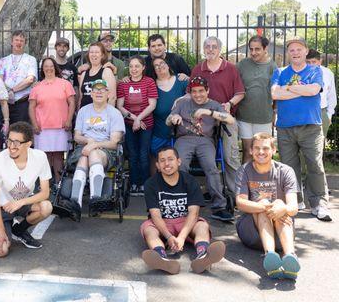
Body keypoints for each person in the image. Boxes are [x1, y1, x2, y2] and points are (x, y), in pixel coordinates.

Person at [271, 38, 331, 222]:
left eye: (299, 49)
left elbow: (314, 90)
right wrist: (299, 89)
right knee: (289, 167)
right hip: (285, 127)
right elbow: (275, 93)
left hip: (310, 125)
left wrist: (287, 88)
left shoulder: (315, 70)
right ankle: (294, 201)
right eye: (292, 50)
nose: (295, 53)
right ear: (288, 53)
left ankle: (319, 203)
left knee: (315, 164)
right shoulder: (280, 72)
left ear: (306, 51)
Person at [141, 146, 226, 275]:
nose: (167, 163)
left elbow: (194, 213)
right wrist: (169, 237)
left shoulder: (190, 181)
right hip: (163, 223)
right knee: (148, 230)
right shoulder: (150, 183)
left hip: (185, 222)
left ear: (179, 161)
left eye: (170, 159)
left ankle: (203, 256)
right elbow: (155, 215)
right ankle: (162, 258)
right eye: (162, 160)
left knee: (202, 226)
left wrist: (181, 237)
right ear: (157, 165)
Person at [166, 76, 236, 222]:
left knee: (211, 167)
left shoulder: (214, 104)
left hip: (206, 140)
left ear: (207, 90)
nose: (197, 94)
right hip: (184, 138)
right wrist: (174, 117)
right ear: (190, 92)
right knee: (180, 164)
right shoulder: (182, 102)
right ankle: (180, 202)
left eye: (201, 91)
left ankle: (219, 207)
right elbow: (168, 120)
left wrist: (209, 112)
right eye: (194, 91)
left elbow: (230, 120)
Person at [235, 133, 300, 280]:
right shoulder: (244, 170)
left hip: (281, 235)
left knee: (280, 204)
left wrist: (282, 208)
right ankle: (270, 255)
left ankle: (290, 256)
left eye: (265, 148)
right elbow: (241, 203)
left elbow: (293, 207)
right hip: (251, 232)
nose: (261, 152)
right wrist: (266, 207)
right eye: (257, 148)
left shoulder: (286, 171)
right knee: (264, 203)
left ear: (273, 150)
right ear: (250, 150)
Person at [0, 122, 53, 256]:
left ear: (28, 144)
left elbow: (45, 193)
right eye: (9, 141)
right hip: (1, 207)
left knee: (46, 207)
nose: (11, 146)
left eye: (17, 143)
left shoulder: (40, 157)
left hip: (22, 203)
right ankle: (5, 228)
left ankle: (19, 230)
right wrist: (0, 230)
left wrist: (20, 202)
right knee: (1, 251)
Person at [191, 36, 244, 195]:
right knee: (207, 157)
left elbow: (240, 93)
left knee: (230, 157)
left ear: (220, 49)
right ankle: (212, 190)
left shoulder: (230, 68)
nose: (210, 49)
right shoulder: (198, 69)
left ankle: (235, 193)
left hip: (224, 118)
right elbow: (190, 93)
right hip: (204, 120)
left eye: (214, 46)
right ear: (203, 49)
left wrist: (230, 103)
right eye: (207, 46)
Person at [70, 79, 125, 209]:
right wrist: (88, 141)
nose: (99, 92)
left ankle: (95, 197)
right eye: (96, 90)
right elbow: (77, 136)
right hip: (83, 148)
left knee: (92, 154)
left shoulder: (114, 113)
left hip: (107, 151)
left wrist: (94, 145)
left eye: (102, 90)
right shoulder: (83, 111)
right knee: (84, 158)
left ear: (108, 93)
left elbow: (114, 142)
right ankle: (75, 202)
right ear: (91, 94)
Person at [29, 57, 76, 182]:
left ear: (55, 67)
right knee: (44, 156)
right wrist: (34, 124)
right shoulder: (37, 87)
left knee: (58, 156)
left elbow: (72, 103)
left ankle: (58, 183)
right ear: (42, 69)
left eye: (51, 66)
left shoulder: (65, 84)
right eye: (46, 66)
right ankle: (46, 184)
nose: (48, 68)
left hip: (61, 126)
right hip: (42, 128)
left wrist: (69, 120)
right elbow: (31, 107)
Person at [116, 56, 157, 195]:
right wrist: (134, 119)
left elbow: (152, 105)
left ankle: (145, 184)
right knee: (133, 155)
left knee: (144, 155)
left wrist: (139, 119)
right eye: (131, 66)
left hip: (147, 124)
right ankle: (134, 183)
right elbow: (119, 105)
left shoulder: (149, 82)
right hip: (129, 124)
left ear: (143, 67)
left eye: (137, 66)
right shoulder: (123, 84)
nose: (134, 69)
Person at [236, 36, 277, 163]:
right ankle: (245, 182)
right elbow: (231, 80)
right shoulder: (243, 64)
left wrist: (274, 113)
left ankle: (264, 182)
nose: (253, 52)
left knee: (262, 154)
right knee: (248, 152)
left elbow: (276, 92)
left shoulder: (272, 67)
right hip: (244, 116)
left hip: (263, 117)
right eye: (251, 49)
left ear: (265, 49)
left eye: (257, 49)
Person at [150, 57, 187, 175]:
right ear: (154, 70)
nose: (160, 66)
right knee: (155, 158)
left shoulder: (181, 80)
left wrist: (183, 98)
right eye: (156, 65)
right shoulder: (151, 85)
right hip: (159, 131)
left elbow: (196, 94)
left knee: (177, 160)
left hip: (180, 132)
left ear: (168, 65)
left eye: (162, 63)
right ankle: (156, 184)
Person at [0, 30, 37, 124]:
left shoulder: (31, 60)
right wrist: (8, 92)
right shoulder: (3, 61)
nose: (19, 43)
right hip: (5, 103)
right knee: (5, 132)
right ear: (11, 42)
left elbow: (30, 79)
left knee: (21, 132)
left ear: (25, 43)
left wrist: (12, 90)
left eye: (21, 41)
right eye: (16, 40)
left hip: (23, 104)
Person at [306, 48, 336, 138]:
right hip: (304, 112)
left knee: (319, 146)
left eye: (314, 62)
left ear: (320, 61)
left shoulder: (328, 73)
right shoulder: (300, 73)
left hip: (321, 112)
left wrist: (329, 115)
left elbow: (331, 95)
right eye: (308, 62)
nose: (311, 65)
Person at [78, 42, 117, 109]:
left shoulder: (106, 71)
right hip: (85, 114)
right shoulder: (84, 74)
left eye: (97, 52)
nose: (94, 55)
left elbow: (112, 97)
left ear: (102, 55)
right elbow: (81, 97)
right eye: (91, 52)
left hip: (101, 115)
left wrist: (108, 115)